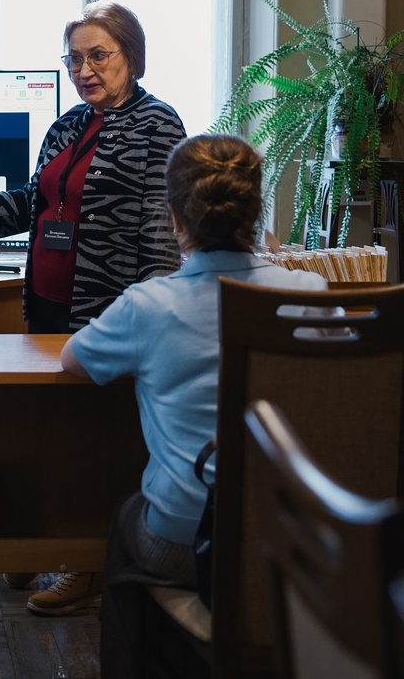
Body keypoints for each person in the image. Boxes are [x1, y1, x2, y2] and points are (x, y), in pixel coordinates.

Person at [0, 0, 187, 613]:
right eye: (74, 59)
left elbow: (158, 236)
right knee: (42, 430)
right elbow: (33, 205)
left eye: (98, 56)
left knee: (91, 438)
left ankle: (86, 562)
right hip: (46, 305)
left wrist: (146, 313)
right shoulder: (67, 125)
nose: (84, 70)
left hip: (107, 310)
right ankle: (34, 541)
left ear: (131, 56)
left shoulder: (158, 125)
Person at [59, 134, 327, 677]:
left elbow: (73, 361)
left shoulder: (148, 306)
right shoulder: (310, 293)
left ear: (175, 216)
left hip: (187, 538)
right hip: (294, 536)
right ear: (255, 211)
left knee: (126, 515)